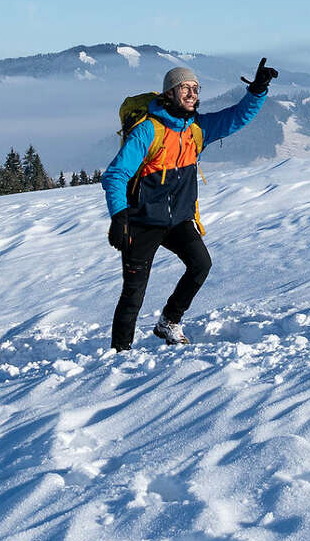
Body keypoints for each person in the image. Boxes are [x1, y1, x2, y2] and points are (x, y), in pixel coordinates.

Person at [102, 58, 277, 349]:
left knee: (200, 265)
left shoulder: (195, 129)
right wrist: (119, 217)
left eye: (196, 88)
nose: (192, 93)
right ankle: (120, 354)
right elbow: (115, 175)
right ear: (169, 92)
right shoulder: (149, 131)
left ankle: (169, 321)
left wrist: (257, 91)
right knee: (133, 294)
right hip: (142, 221)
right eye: (185, 88)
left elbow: (235, 118)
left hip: (178, 220)